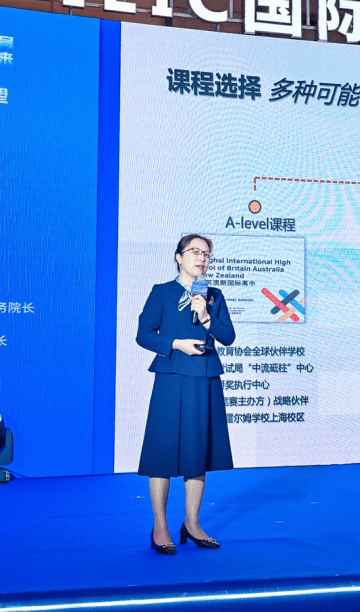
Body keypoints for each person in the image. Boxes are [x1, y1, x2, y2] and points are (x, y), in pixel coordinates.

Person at [136, 234, 235, 555]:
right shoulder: (162, 292)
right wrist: (176, 344)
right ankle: (160, 527)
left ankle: (192, 524)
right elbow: (143, 334)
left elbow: (228, 336)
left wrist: (205, 316)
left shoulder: (213, 295)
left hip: (204, 377)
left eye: (207, 254)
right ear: (179, 257)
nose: (202, 258)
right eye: (195, 252)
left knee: (197, 451)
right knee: (162, 450)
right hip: (171, 375)